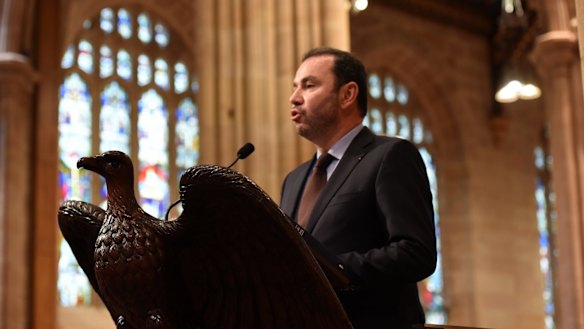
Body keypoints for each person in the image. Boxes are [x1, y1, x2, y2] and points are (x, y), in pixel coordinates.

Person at [280, 46, 437, 329]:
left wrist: (334, 269)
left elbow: (416, 253)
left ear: (347, 95)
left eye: (309, 85)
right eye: (294, 87)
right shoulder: (294, 180)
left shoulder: (390, 156)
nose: (294, 98)